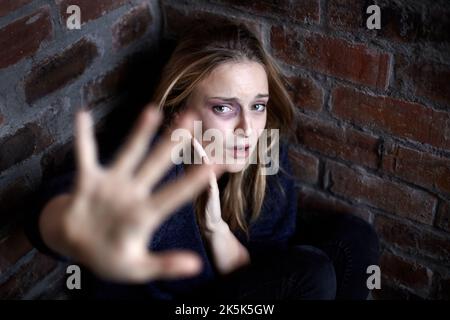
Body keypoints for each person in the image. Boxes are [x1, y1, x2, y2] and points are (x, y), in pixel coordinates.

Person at [24, 20, 379, 300]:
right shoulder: (154, 160)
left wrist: (215, 229)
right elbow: (51, 212)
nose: (247, 129)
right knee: (311, 272)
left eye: (257, 105)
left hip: (231, 291)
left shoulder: (263, 144)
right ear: (179, 110)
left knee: (353, 239)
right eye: (224, 108)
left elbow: (266, 267)